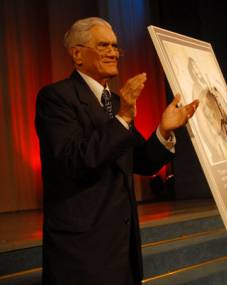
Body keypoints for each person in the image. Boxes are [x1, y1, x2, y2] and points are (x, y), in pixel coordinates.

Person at [35, 17, 198, 285]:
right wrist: (122, 118)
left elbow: (140, 161)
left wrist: (164, 130)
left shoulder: (116, 102)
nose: (113, 52)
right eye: (103, 45)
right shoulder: (56, 98)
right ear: (77, 54)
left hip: (122, 248)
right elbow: (75, 160)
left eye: (115, 46)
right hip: (81, 251)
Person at [187, 57, 227, 163]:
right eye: (194, 72)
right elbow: (202, 122)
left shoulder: (212, 82)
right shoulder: (196, 91)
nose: (197, 74)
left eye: (197, 69)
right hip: (217, 133)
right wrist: (213, 143)